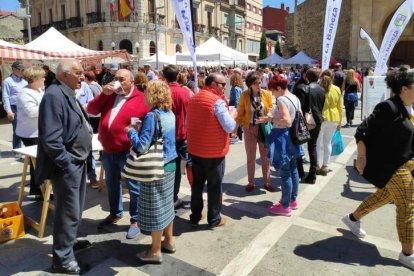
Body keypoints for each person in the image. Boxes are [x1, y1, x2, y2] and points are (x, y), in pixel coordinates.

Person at [342, 68, 414, 270]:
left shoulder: (407, 107)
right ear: (404, 88)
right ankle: (407, 254)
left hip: (406, 160)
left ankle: (352, 218)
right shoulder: (389, 107)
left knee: (385, 196)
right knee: (408, 205)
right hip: (391, 165)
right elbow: (362, 130)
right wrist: (361, 157)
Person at [35, 59, 93, 274]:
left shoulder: (66, 91)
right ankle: (62, 259)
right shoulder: (53, 95)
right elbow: (51, 140)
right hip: (68, 165)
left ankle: (68, 243)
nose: (82, 76)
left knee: (73, 210)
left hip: (77, 160)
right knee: (68, 211)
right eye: (78, 73)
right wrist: (67, 165)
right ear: (64, 74)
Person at [87, 68, 150, 239]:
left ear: (132, 82)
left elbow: (147, 125)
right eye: (116, 78)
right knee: (112, 184)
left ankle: (136, 220)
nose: (118, 81)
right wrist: (103, 94)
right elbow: (91, 110)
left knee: (134, 188)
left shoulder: (141, 100)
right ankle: (115, 213)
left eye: (122, 79)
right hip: (108, 150)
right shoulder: (109, 95)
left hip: (128, 151)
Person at [126, 80, 177, 264]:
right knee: (167, 205)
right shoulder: (169, 113)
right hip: (171, 164)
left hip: (156, 167)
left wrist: (130, 131)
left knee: (156, 208)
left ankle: (155, 251)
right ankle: (169, 241)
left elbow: (141, 146)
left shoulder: (152, 116)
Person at [187, 73, 238, 227]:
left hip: (196, 149)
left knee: (197, 184)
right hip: (213, 152)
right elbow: (230, 126)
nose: (225, 87)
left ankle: (195, 216)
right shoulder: (217, 102)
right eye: (222, 84)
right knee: (214, 186)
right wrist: (233, 114)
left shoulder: (194, 98)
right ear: (213, 84)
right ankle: (214, 218)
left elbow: (188, 122)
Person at [257, 75, 301, 216]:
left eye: (273, 90)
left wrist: (270, 118)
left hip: (283, 136)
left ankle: (285, 205)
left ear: (279, 88)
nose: (272, 93)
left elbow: (286, 120)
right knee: (293, 169)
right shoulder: (294, 97)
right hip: (293, 136)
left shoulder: (282, 99)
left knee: (285, 172)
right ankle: (293, 200)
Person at [236, 71, 273, 192]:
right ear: (250, 84)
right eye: (256, 83)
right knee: (250, 157)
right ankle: (251, 182)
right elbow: (240, 112)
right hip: (249, 128)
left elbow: (271, 109)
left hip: (263, 128)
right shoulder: (244, 95)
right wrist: (236, 128)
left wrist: (268, 116)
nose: (259, 85)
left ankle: (267, 182)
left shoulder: (266, 94)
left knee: (265, 157)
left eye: (260, 82)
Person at [162, 65, 193, 209]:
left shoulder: (163, 93)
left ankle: (168, 197)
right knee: (186, 166)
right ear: (178, 75)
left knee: (169, 168)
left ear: (164, 77)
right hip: (184, 134)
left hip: (167, 135)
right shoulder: (185, 93)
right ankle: (174, 196)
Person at [16, 67, 45, 198]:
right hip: (30, 133)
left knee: (37, 162)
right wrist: (48, 105)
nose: (44, 79)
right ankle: (38, 191)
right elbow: (31, 112)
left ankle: (37, 188)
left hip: (38, 131)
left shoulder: (38, 90)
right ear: (33, 79)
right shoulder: (24, 93)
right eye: (42, 77)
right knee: (37, 163)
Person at [295, 68, 325, 184]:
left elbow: (299, 108)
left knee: (298, 144)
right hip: (317, 120)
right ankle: (312, 175)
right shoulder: (321, 89)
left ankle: (300, 173)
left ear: (306, 76)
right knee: (312, 147)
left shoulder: (302, 88)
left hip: (304, 121)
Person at [316, 70, 343, 176]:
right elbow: (340, 107)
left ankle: (317, 165)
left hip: (321, 118)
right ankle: (325, 166)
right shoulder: (336, 89)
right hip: (334, 118)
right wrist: (340, 121)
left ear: (321, 77)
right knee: (327, 143)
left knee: (317, 143)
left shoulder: (318, 88)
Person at [2, 60, 27, 152]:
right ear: (13, 69)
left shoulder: (24, 82)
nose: (21, 71)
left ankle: (25, 148)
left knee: (24, 128)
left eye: (22, 69)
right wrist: (8, 111)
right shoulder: (8, 81)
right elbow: (5, 97)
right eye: (19, 69)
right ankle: (17, 149)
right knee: (17, 129)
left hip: (24, 108)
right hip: (14, 108)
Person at [229, 72, 244, 144]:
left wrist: (235, 110)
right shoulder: (239, 88)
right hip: (238, 107)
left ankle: (237, 137)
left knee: (235, 123)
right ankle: (238, 137)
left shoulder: (235, 88)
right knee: (238, 123)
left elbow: (237, 100)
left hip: (234, 107)